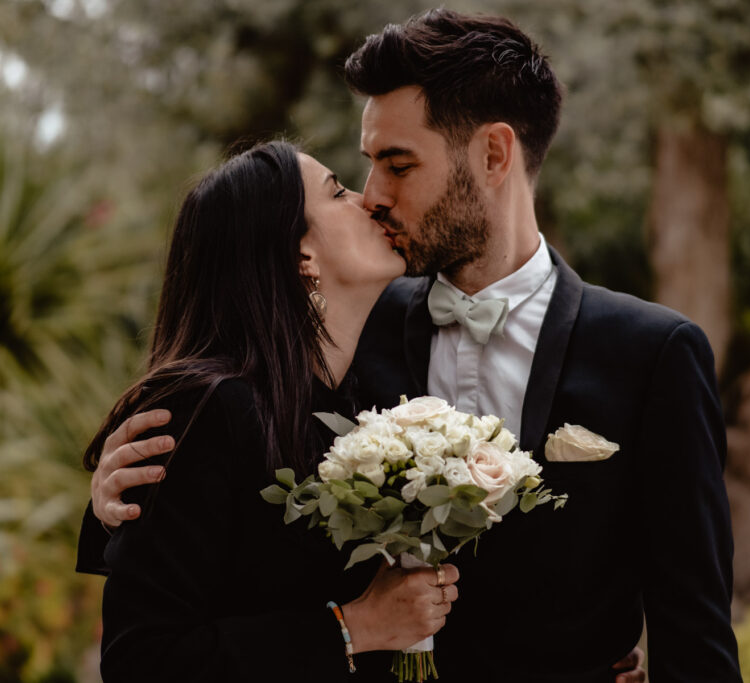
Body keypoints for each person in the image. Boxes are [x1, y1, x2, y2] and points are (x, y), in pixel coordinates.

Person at [85, 9, 742, 681]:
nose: (373, 196)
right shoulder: (343, 331)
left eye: (398, 165)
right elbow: (235, 476)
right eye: (366, 167)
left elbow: (696, 630)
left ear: (493, 154)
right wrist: (117, 500)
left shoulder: (653, 355)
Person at [79, 140, 462, 682]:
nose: (368, 199)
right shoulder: (207, 409)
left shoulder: (364, 397)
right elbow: (140, 660)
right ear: (300, 256)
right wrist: (353, 627)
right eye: (337, 192)